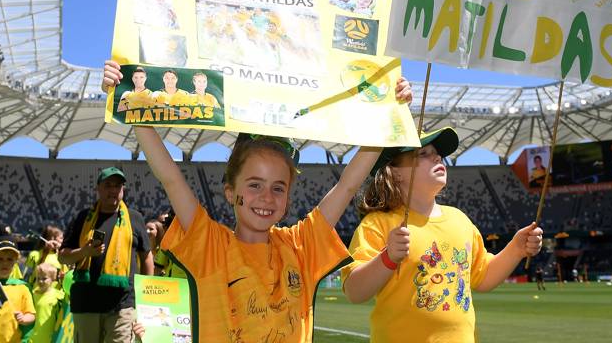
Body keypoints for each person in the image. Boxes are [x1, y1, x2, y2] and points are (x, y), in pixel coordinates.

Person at [101, 59, 413, 342]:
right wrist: (129, 97)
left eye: (279, 187)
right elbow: (170, 177)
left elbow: (347, 186)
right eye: (254, 185)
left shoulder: (301, 245)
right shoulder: (209, 243)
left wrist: (390, 113)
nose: (266, 197)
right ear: (229, 191)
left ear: (289, 199)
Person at [341, 127, 543, 343]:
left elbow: (483, 277)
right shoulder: (378, 224)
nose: (438, 156)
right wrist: (388, 257)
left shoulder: (460, 219)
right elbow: (355, 291)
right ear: (395, 172)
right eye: (423, 153)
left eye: (437, 152)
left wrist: (516, 249)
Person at [59, 167, 154, 343]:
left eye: (118, 186)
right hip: (86, 304)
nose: (113, 190)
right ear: (98, 188)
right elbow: (63, 257)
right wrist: (84, 252)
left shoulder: (135, 218)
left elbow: (146, 256)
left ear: (123, 190)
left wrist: (147, 295)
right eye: (108, 185)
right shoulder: (83, 218)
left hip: (122, 305)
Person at [30, 263, 65, 343]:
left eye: (44, 278)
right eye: (38, 278)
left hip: (50, 338)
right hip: (33, 338)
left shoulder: (59, 295)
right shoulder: (32, 294)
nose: (40, 281)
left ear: (52, 279)